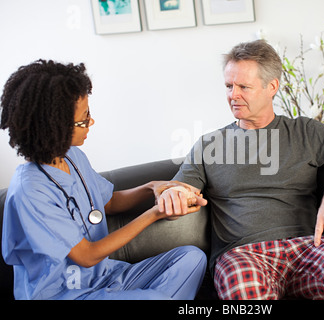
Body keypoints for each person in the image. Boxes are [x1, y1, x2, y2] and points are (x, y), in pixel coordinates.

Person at [158, 40, 324, 300]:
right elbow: (179, 189)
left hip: (310, 246)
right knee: (245, 293)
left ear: (272, 87)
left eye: (244, 86)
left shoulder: (305, 131)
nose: (233, 94)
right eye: (229, 86)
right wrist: (171, 194)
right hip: (243, 253)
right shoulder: (210, 145)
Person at [0, 59, 207, 300]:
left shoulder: (72, 156)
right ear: (53, 126)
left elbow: (107, 203)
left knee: (191, 258)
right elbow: (86, 255)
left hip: (106, 277)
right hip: (64, 294)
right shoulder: (30, 191)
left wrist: (153, 188)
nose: (91, 122)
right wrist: (155, 213)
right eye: (84, 119)